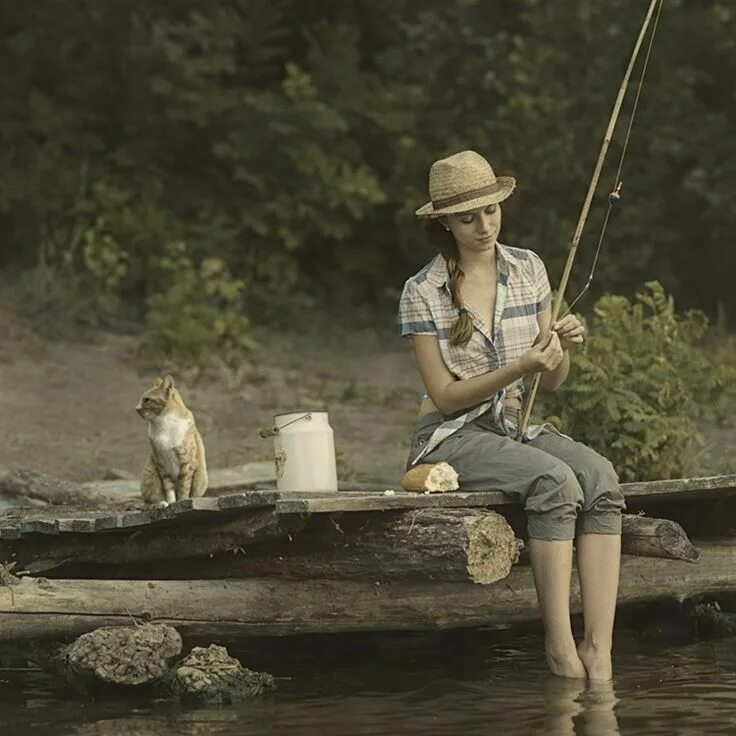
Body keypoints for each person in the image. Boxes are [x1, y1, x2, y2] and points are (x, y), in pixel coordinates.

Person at [398, 150, 625, 681]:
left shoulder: (529, 268)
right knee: (554, 481)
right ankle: (560, 648)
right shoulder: (422, 291)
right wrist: (519, 364)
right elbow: (447, 397)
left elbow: (552, 380)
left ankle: (600, 650)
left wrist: (560, 347)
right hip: (451, 435)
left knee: (601, 479)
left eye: (492, 211)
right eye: (467, 217)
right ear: (444, 223)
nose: (484, 225)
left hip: (515, 425)